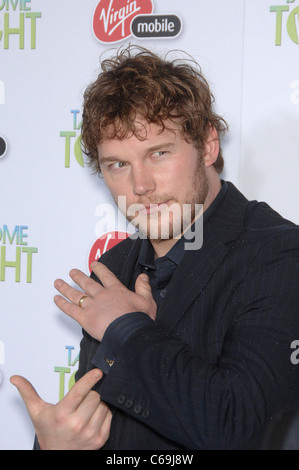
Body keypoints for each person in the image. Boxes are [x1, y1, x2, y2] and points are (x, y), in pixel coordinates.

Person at [11, 45, 299, 450]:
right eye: (118, 165)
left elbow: (244, 429)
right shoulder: (113, 268)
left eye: (159, 153)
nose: (140, 185)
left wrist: (126, 330)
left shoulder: (281, 254)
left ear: (208, 145)